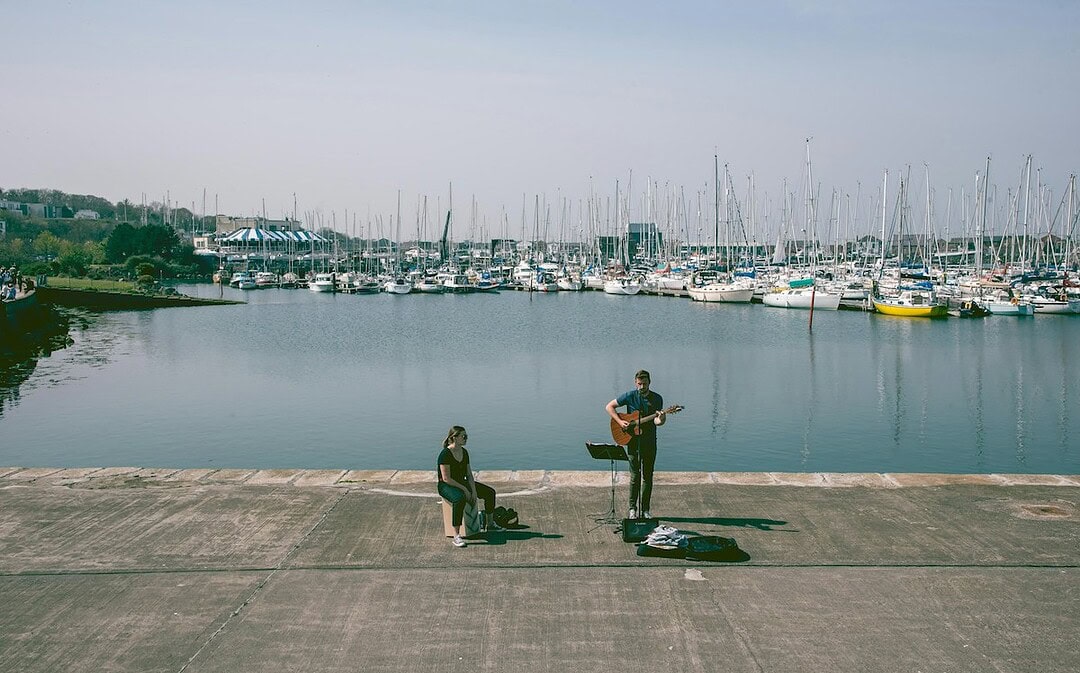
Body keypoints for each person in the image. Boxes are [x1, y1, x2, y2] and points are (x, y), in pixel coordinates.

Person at [606, 369, 666, 520]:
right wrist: (620, 422)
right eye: (639, 384)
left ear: (649, 382)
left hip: (650, 442)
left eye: (644, 384)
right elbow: (609, 407)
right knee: (634, 477)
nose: (641, 387)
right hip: (632, 441)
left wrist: (663, 418)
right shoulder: (630, 396)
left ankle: (645, 510)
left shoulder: (657, 399)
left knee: (648, 476)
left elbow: (657, 422)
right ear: (635, 382)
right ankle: (632, 509)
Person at [436, 425, 501, 548]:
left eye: (467, 436)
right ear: (454, 438)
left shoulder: (464, 452)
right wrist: (465, 489)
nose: (466, 439)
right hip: (446, 485)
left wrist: (474, 491)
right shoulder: (445, 454)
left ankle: (490, 524)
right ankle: (456, 535)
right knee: (459, 499)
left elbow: (469, 475)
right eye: (463, 436)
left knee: (489, 492)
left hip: (461, 482)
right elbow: (446, 478)